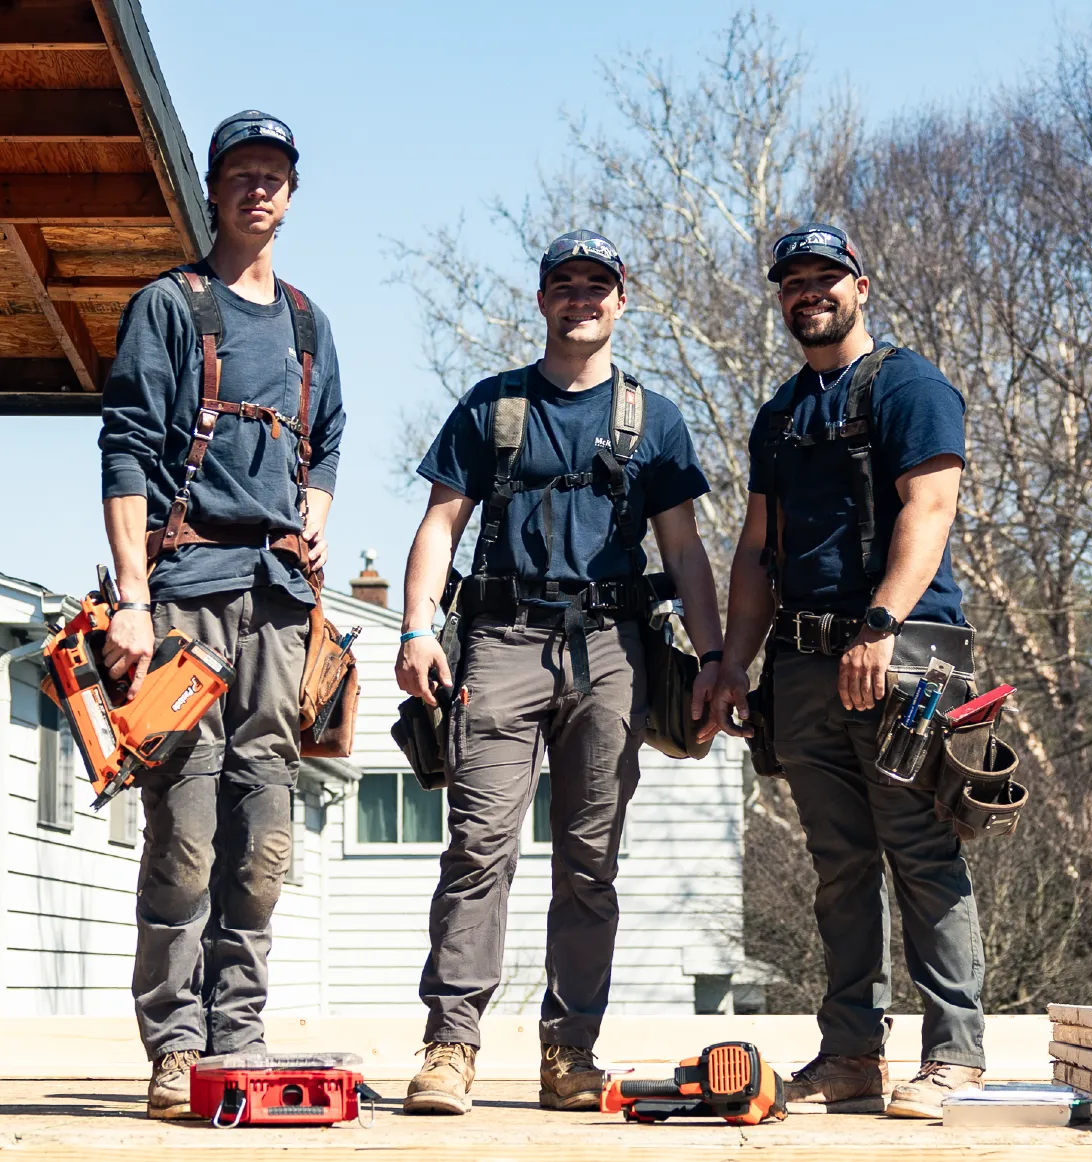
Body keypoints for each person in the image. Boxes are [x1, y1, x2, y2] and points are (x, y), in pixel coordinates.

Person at [395, 230, 724, 1115]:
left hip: (612, 651)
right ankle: (449, 1047)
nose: (581, 298)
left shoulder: (652, 418)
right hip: (499, 640)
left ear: (623, 300)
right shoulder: (492, 406)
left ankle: (569, 1052)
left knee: (589, 863)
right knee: (477, 849)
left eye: (597, 286)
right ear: (541, 300)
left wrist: (716, 660)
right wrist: (418, 628)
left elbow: (685, 551)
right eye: (564, 285)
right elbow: (439, 525)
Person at [99, 110, 345, 1119]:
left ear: (292, 193)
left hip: (280, 607)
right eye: (240, 173)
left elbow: (325, 443)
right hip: (185, 599)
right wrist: (128, 599)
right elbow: (124, 449)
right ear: (214, 189)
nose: (258, 188)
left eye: (273, 174)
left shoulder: (306, 323)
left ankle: (236, 1035)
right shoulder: (170, 305)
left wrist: (315, 521)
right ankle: (174, 1043)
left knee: (265, 833)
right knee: (187, 827)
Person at [711, 223, 986, 1119]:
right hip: (800, 663)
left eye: (824, 278)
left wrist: (879, 624)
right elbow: (757, 549)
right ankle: (850, 1055)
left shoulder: (908, 384)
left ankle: (953, 1057)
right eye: (792, 282)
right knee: (838, 865)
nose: (808, 293)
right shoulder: (780, 413)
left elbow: (930, 503)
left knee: (920, 850)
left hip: (903, 656)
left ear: (859, 286)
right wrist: (731, 663)